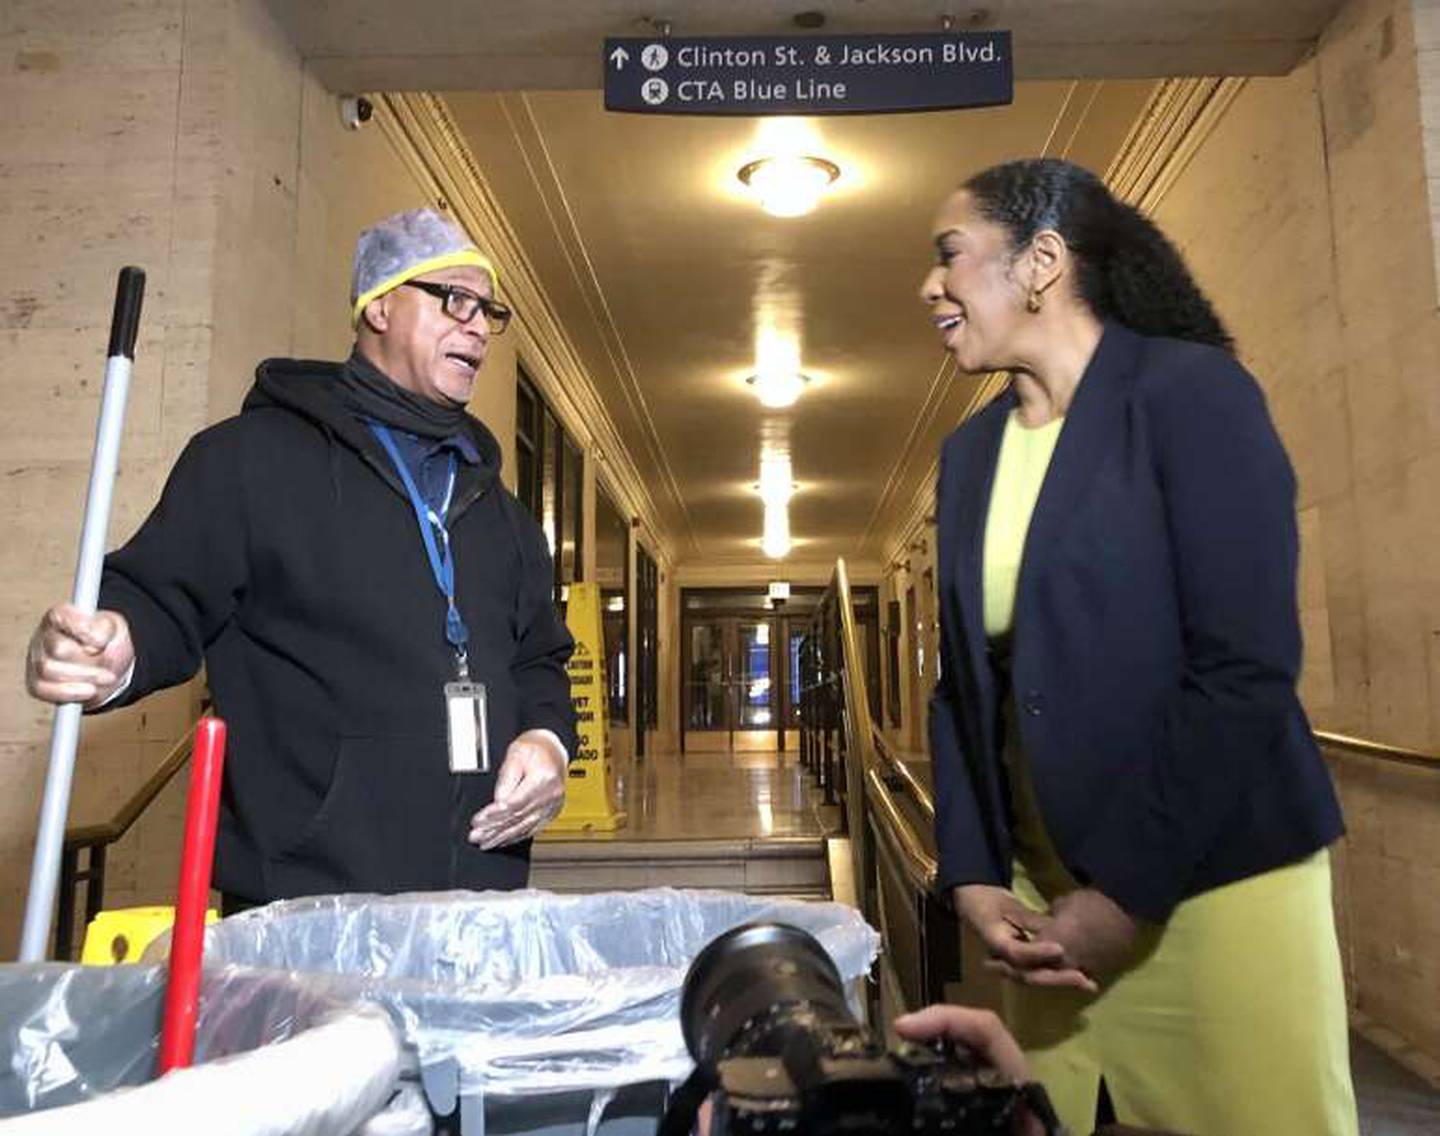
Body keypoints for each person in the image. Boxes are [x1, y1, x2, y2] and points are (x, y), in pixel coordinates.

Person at [919, 158, 1357, 1135]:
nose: (930, 286)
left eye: (951, 256)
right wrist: (977, 872)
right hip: (1045, 920)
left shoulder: (1192, 396)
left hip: (1211, 888)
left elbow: (1242, 666)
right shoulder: (970, 456)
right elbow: (963, 690)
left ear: (1040, 262)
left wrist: (1122, 898)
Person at [26, 207, 576, 910]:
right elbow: (161, 599)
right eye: (454, 300)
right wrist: (115, 647)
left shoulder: (502, 515)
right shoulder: (249, 462)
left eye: (487, 310)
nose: (477, 325)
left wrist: (546, 741)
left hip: (479, 899)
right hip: (306, 906)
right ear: (378, 306)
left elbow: (539, 662)